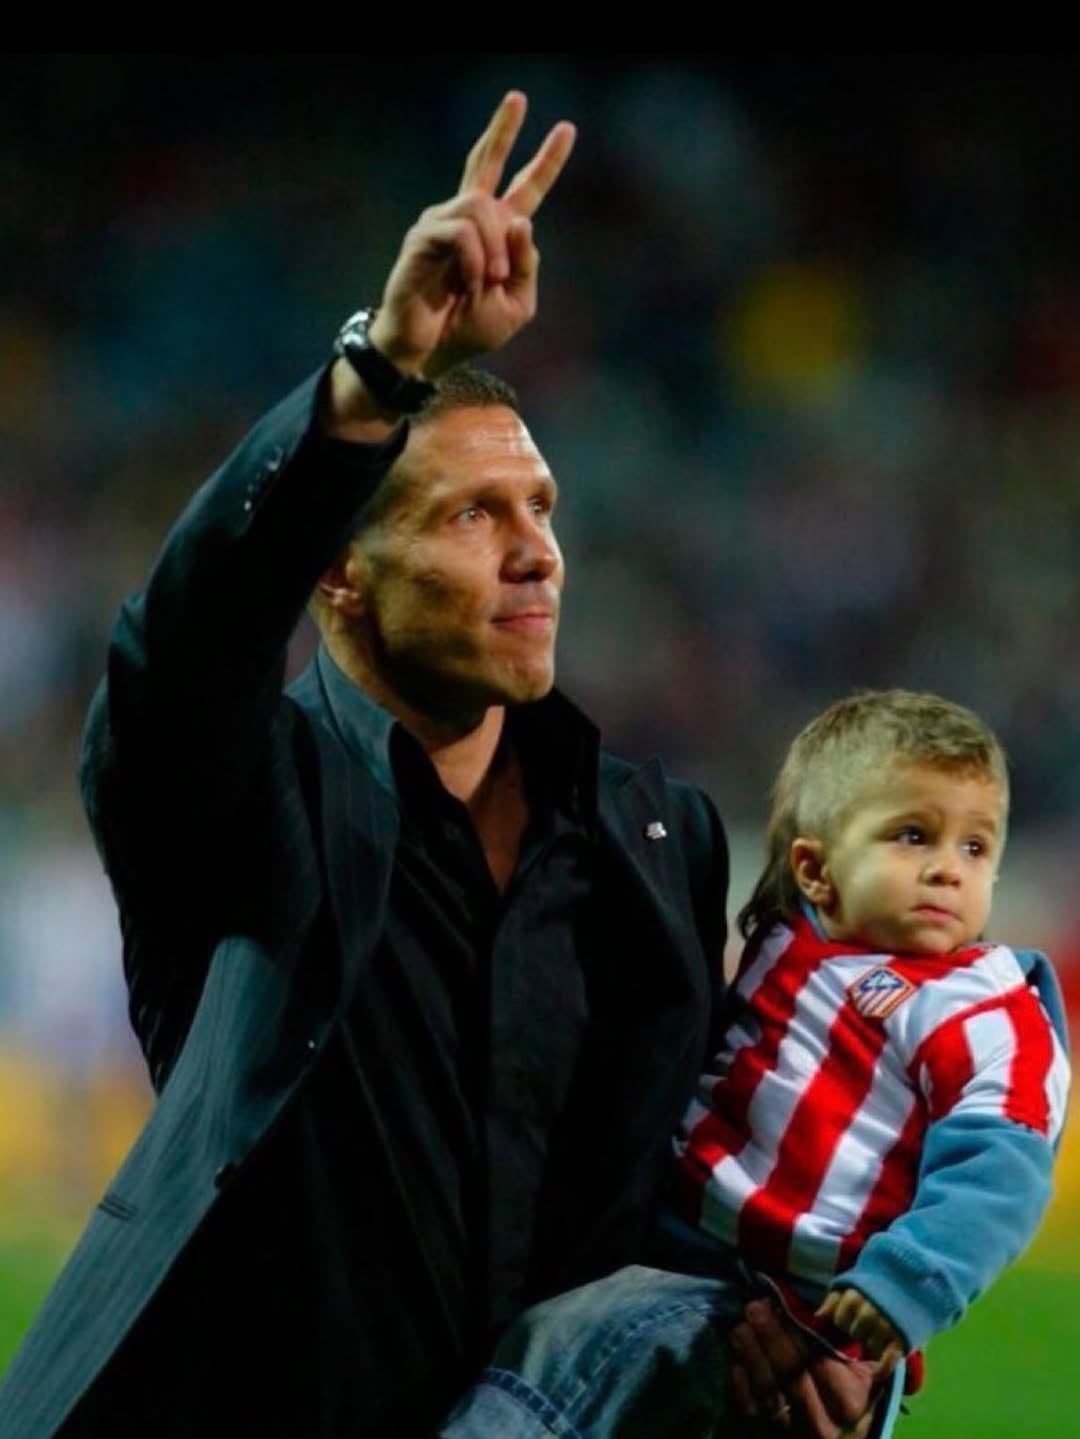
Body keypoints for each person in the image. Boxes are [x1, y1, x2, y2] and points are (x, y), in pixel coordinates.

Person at [0, 91, 877, 1439]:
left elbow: (656, 1179)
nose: (538, 549)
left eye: (542, 508)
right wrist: (379, 368)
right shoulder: (246, 792)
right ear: (341, 573)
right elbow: (182, 646)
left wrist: (775, 1312)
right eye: (475, 512)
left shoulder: (654, 832)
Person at [440, 688, 1070, 1439]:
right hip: (681, 1245)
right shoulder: (789, 942)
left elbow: (1003, 1168)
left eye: (976, 846)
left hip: (791, 1293)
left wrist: (907, 1284)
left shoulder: (985, 1006)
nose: (948, 869)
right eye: (912, 835)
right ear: (814, 869)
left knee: (558, 1365)